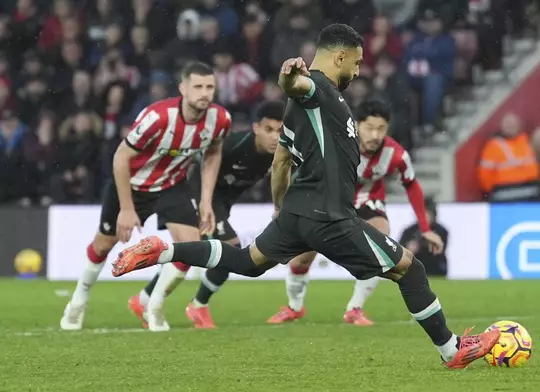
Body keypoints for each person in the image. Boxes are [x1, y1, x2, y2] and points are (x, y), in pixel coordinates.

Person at [111, 23, 499, 369]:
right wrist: (288, 78)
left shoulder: (298, 112)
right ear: (341, 57)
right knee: (409, 268)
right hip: (330, 214)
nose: (359, 70)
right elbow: (299, 85)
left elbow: (280, 163)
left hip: (297, 212)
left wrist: (281, 207)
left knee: (248, 261)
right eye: (357, 63)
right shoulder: (319, 92)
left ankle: (163, 250)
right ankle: (452, 350)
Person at [60, 61, 231, 330]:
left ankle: (154, 305)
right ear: (183, 88)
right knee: (103, 246)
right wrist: (127, 209)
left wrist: (206, 200)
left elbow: (213, 153)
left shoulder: (220, 119)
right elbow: (121, 157)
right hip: (132, 185)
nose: (204, 93)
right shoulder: (158, 117)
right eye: (198, 86)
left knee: (191, 249)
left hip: (171, 186)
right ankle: (78, 301)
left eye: (210, 87)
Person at [266, 99, 436, 326]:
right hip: (328, 202)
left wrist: (425, 228)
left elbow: (412, 185)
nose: (375, 135)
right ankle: (294, 307)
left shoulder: (395, 155)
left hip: (368, 202)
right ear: (356, 125)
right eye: (370, 128)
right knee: (300, 260)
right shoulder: (336, 141)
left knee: (381, 243)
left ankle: (355, 309)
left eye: (381, 129)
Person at [128, 100, 285, 330]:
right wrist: (203, 203)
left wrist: (279, 206)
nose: (274, 137)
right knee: (228, 247)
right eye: (269, 130)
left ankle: (142, 299)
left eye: (280, 131)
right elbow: (199, 163)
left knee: (191, 252)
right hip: (197, 193)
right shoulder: (235, 144)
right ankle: (197, 305)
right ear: (255, 128)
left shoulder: (282, 153)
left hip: (221, 203)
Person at [399, 197, 449, 276]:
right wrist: (408, 249)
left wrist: (422, 245)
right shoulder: (409, 231)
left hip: (435, 269)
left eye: (427, 214)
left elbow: (440, 250)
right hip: (414, 270)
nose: (425, 217)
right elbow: (399, 249)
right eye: (421, 214)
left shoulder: (441, 231)